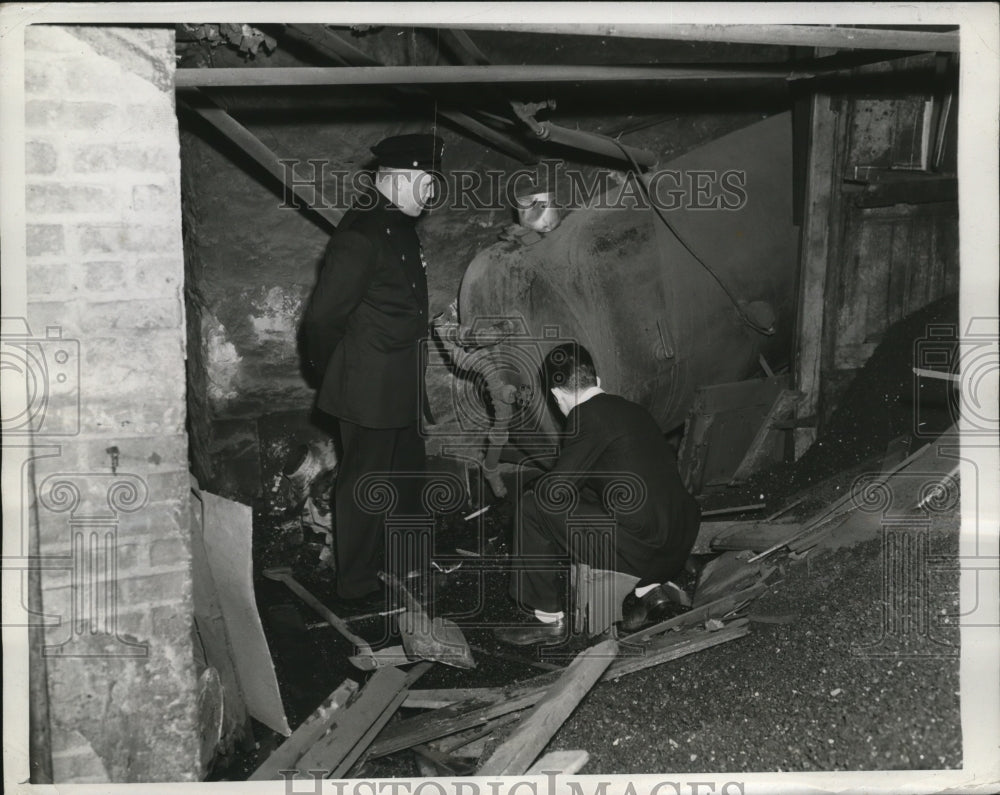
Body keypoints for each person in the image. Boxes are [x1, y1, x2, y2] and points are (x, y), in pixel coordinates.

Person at [300, 133, 443, 602]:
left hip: (400, 382)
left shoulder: (398, 224)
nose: (430, 193)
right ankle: (356, 585)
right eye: (425, 182)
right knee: (365, 486)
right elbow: (322, 319)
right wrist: (336, 374)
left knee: (406, 478)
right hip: (367, 387)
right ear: (399, 179)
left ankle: (408, 566)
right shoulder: (361, 235)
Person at [495, 342, 701, 645]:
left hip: (646, 552)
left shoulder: (584, 417)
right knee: (602, 499)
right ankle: (652, 593)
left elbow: (555, 493)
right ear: (596, 380)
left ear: (555, 394)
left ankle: (548, 621)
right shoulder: (632, 410)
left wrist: (535, 485)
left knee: (532, 506)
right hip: (679, 544)